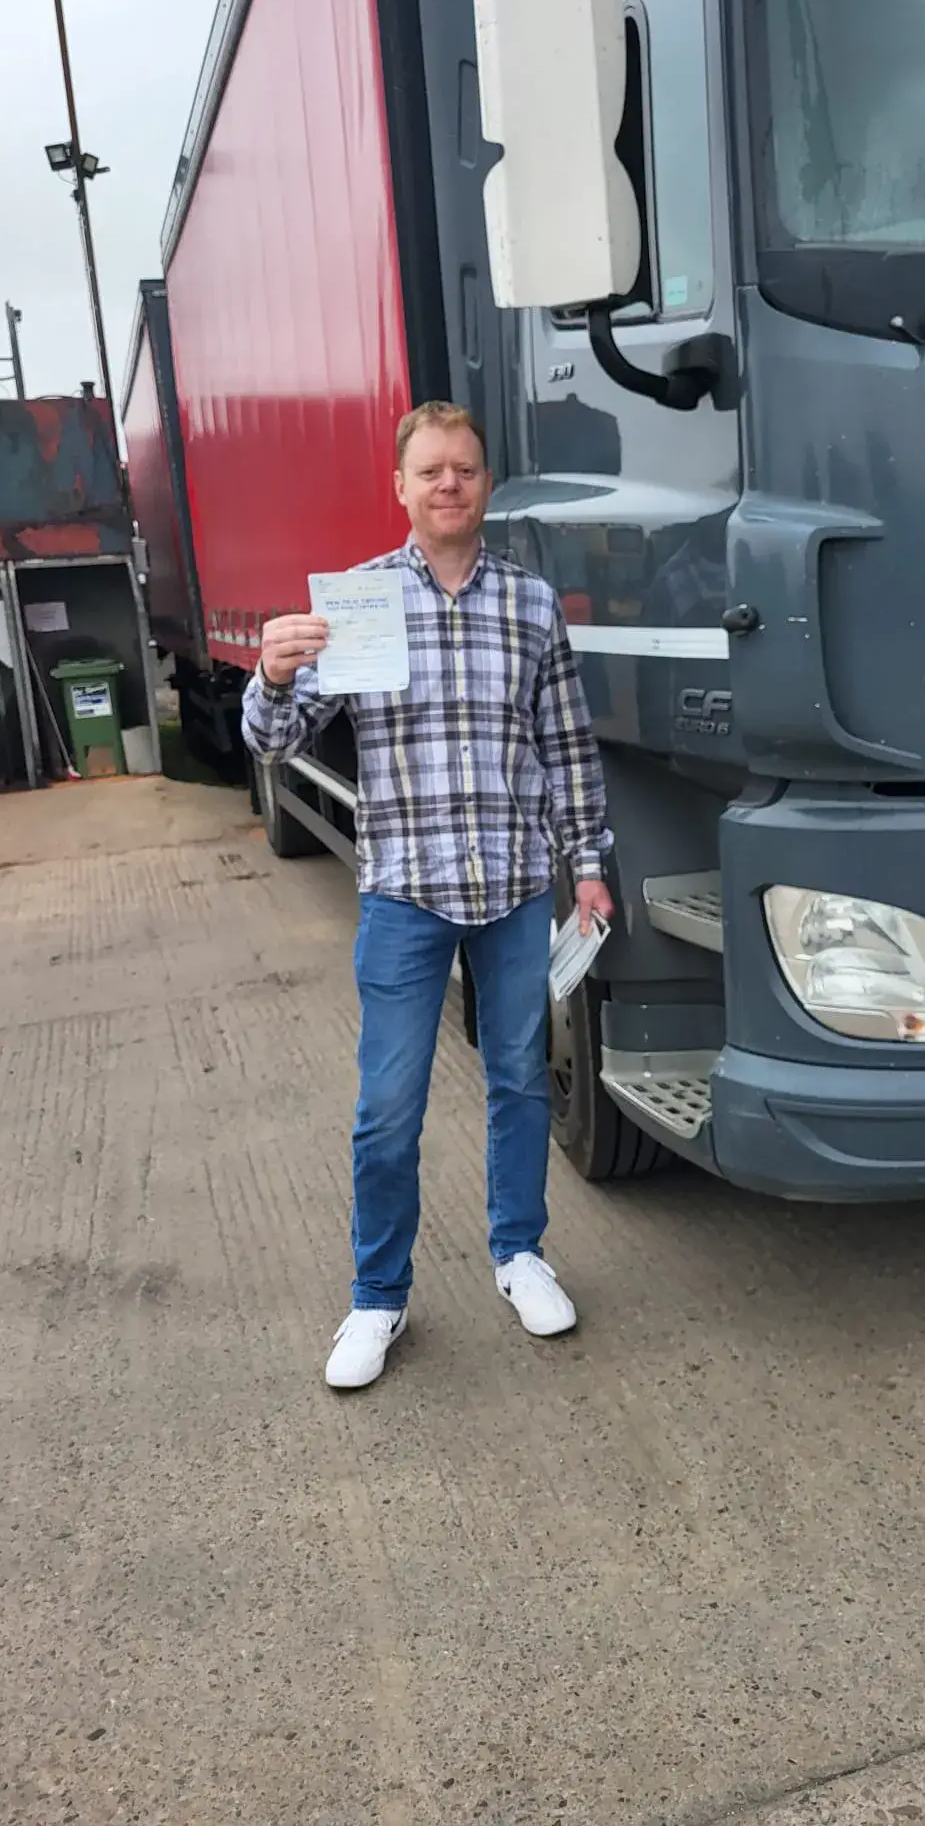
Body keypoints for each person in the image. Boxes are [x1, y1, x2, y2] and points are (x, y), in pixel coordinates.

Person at [242, 401, 614, 1388]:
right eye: (432, 470)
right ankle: (378, 1295)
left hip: (512, 887)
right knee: (387, 1107)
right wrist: (272, 677)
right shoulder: (360, 605)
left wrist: (586, 863)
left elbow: (567, 745)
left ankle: (519, 1252)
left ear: (486, 484)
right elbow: (276, 741)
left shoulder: (530, 605)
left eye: (466, 468)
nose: (450, 483)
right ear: (400, 487)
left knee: (520, 1081)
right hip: (406, 893)